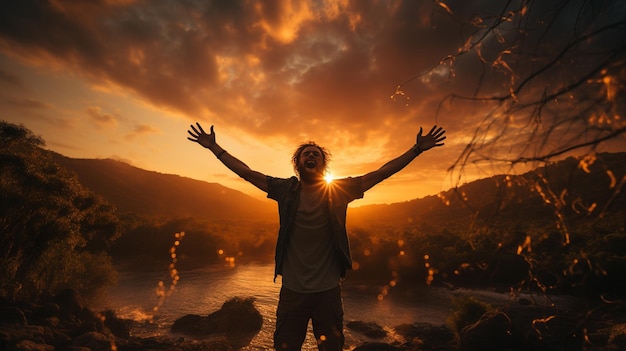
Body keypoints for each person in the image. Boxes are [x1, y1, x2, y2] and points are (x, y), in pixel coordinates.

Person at [187, 123, 446, 351]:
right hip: (292, 291)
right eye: (305, 154)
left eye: (316, 154)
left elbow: (381, 173)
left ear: (324, 164)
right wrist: (214, 147)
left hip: (328, 291)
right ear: (297, 164)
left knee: (331, 347)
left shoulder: (340, 191)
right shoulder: (285, 190)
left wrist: (416, 150)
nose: (311, 156)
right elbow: (247, 172)